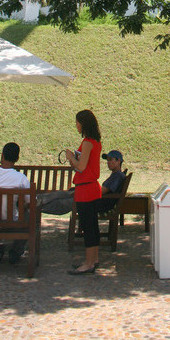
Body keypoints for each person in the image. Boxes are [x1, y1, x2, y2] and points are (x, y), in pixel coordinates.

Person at [66, 109, 102, 275]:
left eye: (78, 122)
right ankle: (93, 259)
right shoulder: (95, 141)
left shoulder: (87, 143)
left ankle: (88, 263)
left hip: (85, 189)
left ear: (83, 123)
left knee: (87, 226)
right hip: (93, 188)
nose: (76, 125)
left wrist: (71, 158)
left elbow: (81, 167)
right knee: (93, 225)